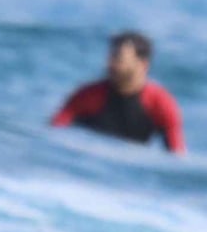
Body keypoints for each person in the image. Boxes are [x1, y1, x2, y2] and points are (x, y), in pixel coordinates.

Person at [50, 31, 186, 152]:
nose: (109, 64)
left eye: (118, 59)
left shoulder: (160, 103)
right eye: (111, 57)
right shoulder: (88, 96)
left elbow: (177, 156)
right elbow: (53, 133)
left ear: (143, 65)